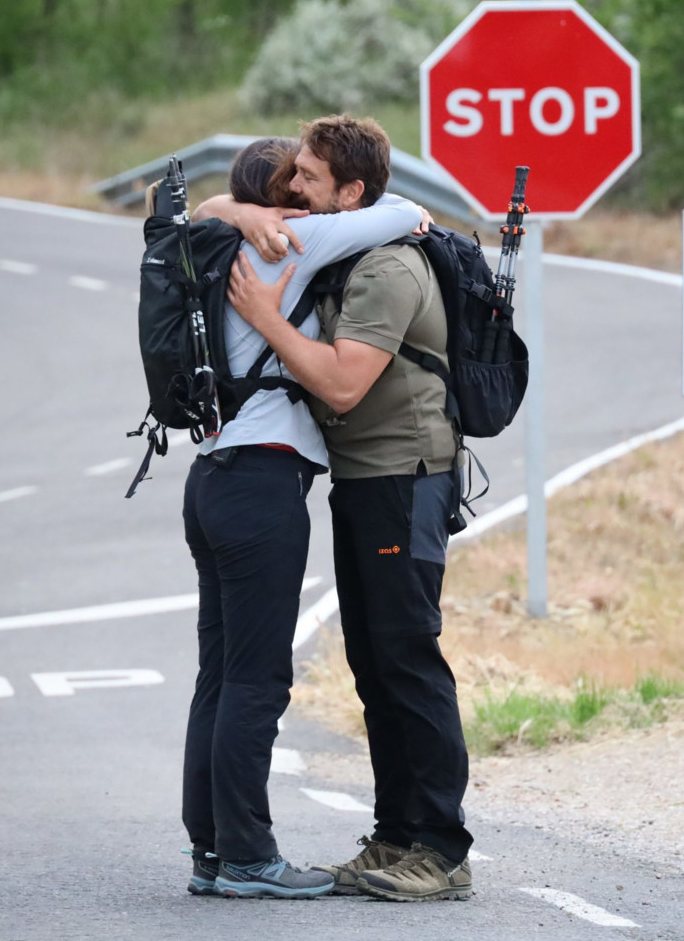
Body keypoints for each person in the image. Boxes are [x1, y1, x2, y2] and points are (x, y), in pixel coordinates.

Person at [226, 114, 474, 902]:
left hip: (404, 479)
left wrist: (265, 318)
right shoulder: (354, 251)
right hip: (367, 481)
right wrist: (238, 211)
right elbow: (207, 211)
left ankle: (441, 848)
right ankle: (396, 835)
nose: (290, 186)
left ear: (351, 192)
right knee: (375, 663)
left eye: (305, 176)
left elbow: (340, 383)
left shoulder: (388, 270)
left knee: (408, 659)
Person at [179, 135, 424, 899]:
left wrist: (228, 205)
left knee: (218, 677)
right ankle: (251, 857)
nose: (301, 190)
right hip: (262, 482)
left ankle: (211, 853)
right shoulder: (291, 238)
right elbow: (408, 210)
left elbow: (190, 213)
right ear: (277, 197)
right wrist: (267, 212)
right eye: (295, 179)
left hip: (210, 476)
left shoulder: (205, 243)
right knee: (256, 680)